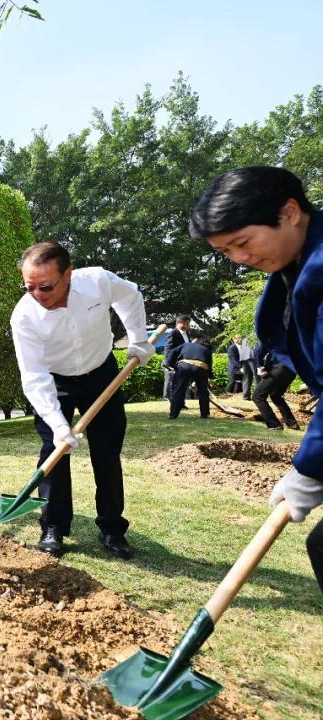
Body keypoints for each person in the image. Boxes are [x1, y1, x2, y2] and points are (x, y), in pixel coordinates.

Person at [190, 165, 322, 591]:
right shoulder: (291, 267)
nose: (240, 259)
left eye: (243, 243)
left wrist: (310, 467)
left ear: (289, 212)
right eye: (226, 251)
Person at [10, 241, 152, 559]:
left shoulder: (97, 281)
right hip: (55, 381)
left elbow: (130, 296)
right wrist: (59, 426)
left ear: (68, 275)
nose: (37, 295)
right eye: (29, 287)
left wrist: (139, 339)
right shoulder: (24, 316)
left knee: (107, 452)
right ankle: (53, 527)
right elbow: (34, 376)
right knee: (54, 451)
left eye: (45, 286)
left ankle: (112, 528)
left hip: (102, 374)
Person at [253, 343, 301, 431]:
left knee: (257, 396)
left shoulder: (270, 337)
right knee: (276, 395)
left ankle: (274, 425)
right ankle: (292, 423)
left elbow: (258, 352)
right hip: (292, 370)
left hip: (279, 368)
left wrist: (259, 367)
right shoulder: (294, 337)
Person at [165, 337, 212, 419]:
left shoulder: (186, 345)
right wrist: (209, 377)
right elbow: (209, 366)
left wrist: (171, 365)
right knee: (203, 391)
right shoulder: (207, 351)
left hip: (184, 366)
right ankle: (205, 414)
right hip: (201, 367)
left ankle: (173, 415)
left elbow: (173, 352)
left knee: (179, 390)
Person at [163, 315, 192, 400]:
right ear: (177, 323)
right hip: (171, 363)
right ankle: (167, 398)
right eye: (184, 324)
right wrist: (169, 364)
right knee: (170, 381)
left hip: (182, 363)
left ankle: (182, 399)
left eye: (188, 324)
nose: (186, 326)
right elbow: (168, 349)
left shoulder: (187, 333)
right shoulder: (173, 333)